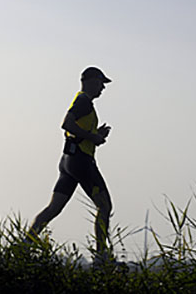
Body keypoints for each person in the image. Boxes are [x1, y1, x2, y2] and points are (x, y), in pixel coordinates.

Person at [26, 66, 113, 257]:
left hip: (68, 161)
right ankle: (102, 257)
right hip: (81, 161)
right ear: (90, 81)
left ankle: (23, 247)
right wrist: (92, 137)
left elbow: (76, 133)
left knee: (54, 207)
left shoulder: (83, 102)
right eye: (101, 83)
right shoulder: (84, 102)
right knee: (105, 206)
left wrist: (96, 135)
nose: (103, 88)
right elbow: (66, 124)